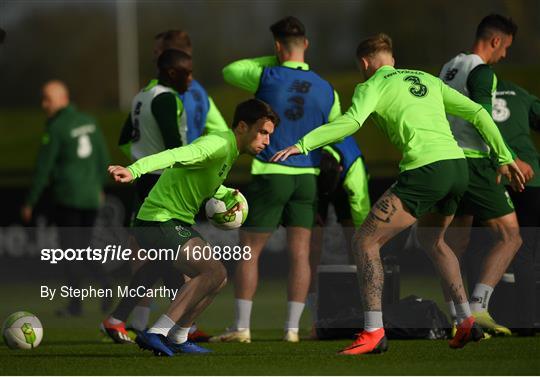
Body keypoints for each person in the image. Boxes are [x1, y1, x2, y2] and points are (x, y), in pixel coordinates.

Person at [271, 33, 524, 355]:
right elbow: (477, 112)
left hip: (427, 170)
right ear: (391, 58)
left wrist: (303, 144)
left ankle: (374, 331)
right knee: (434, 241)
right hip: (458, 169)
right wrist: (503, 156)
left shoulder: (372, 84)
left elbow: (351, 121)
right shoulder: (425, 79)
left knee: (365, 241)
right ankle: (465, 320)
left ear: (365, 63)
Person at [108, 98, 278, 356]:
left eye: (269, 135)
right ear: (242, 127)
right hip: (157, 220)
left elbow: (199, 180)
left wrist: (224, 193)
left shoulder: (229, 150)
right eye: (263, 132)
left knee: (218, 279)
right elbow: (176, 155)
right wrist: (135, 170)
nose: (267, 140)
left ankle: (178, 335)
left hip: (171, 221)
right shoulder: (217, 144)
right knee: (212, 271)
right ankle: (157, 332)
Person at [211, 16, 341, 344]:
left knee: (250, 252)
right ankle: (293, 330)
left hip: (271, 172)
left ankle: (242, 327)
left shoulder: (266, 73)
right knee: (300, 254)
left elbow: (230, 70)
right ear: (306, 45)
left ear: (277, 46)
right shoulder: (327, 88)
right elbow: (337, 130)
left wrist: (275, 59)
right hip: (307, 176)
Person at [439, 14, 526, 336]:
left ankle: (458, 318)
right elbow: (482, 118)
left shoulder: (449, 66)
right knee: (510, 235)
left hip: (446, 159)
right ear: (495, 41)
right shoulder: (481, 71)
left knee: (453, 243)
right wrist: (505, 158)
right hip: (474, 162)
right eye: (505, 48)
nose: (504, 55)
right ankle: (478, 308)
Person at [102, 49, 194, 343]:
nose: (190, 78)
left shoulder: (142, 95)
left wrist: (138, 166)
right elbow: (176, 148)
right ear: (171, 73)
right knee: (169, 259)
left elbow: (123, 139)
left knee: (163, 259)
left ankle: (181, 325)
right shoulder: (166, 98)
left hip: (145, 182)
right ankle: (127, 320)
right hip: (161, 184)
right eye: (186, 72)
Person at [22, 80, 110, 316]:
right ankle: (105, 285)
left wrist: (30, 202)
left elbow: (43, 168)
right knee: (84, 249)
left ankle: (76, 304)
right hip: (91, 198)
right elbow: (104, 159)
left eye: (47, 99)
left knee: (70, 252)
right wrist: (99, 187)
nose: (43, 104)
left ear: (63, 98)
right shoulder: (89, 121)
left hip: (68, 198)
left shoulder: (56, 127)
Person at [307, 136, 370, 332]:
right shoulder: (309, 158)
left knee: (358, 243)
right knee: (312, 249)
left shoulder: (354, 171)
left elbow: (363, 220)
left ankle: (361, 310)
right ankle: (314, 317)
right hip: (315, 186)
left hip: (345, 184)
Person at [492, 79, 540, 335]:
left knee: (484, 246)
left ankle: (484, 316)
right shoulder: (520, 92)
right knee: (526, 253)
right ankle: (527, 321)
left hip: (494, 178)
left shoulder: (472, 93)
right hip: (532, 179)